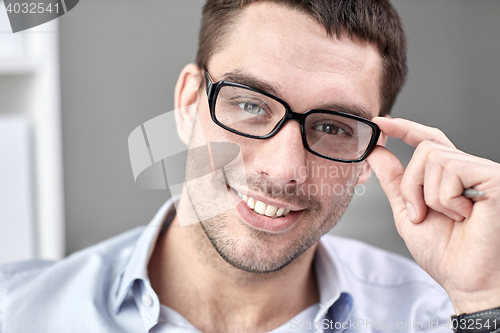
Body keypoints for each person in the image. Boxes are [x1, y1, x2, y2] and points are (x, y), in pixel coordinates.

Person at [1, 0, 500, 332]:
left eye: (333, 127)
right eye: (252, 104)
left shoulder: (446, 316)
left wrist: (483, 299)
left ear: (369, 157)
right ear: (188, 102)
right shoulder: (19, 312)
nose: (285, 170)